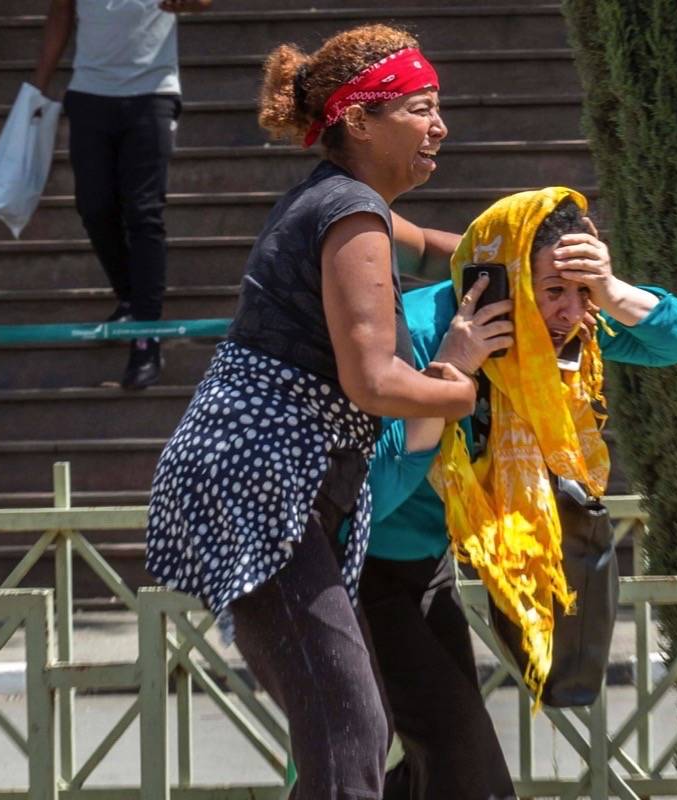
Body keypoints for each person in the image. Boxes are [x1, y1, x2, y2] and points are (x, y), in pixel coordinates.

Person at [145, 25, 477, 799]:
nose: (440, 127)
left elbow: (434, 248)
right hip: (260, 479)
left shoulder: (346, 205)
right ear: (360, 120)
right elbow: (374, 382)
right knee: (348, 724)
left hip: (266, 480)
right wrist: (458, 388)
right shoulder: (350, 213)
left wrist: (523, 250)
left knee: (351, 723)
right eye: (422, 108)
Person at [357, 188, 677, 800]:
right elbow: (374, 496)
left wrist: (612, 290)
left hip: (423, 562)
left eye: (583, 291)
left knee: (434, 768)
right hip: (356, 567)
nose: (572, 312)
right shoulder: (420, 331)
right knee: (467, 773)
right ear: (502, 281)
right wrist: (451, 374)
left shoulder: (572, 327)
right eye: (553, 291)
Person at [32, 0, 213, 389]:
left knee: (144, 213)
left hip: (153, 93)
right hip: (89, 93)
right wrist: (39, 83)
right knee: (93, 207)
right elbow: (61, 11)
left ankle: (146, 339)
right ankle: (131, 300)